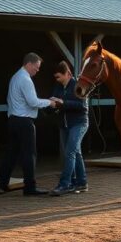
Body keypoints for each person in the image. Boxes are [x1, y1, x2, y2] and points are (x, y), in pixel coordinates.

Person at [0, 52, 56, 196]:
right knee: (29, 155)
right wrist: (51, 102)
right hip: (24, 122)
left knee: (11, 154)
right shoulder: (25, 79)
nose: (37, 70)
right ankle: (30, 187)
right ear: (29, 64)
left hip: (13, 120)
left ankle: (1, 185)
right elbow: (33, 102)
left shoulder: (15, 77)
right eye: (36, 67)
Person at [49, 60, 89, 196]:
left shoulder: (78, 85)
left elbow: (82, 106)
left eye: (59, 76)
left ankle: (64, 184)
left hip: (79, 123)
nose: (57, 79)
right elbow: (56, 101)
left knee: (69, 153)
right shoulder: (58, 86)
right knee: (75, 152)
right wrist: (53, 104)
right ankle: (82, 183)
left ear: (67, 74)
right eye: (56, 77)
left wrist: (63, 103)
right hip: (64, 125)